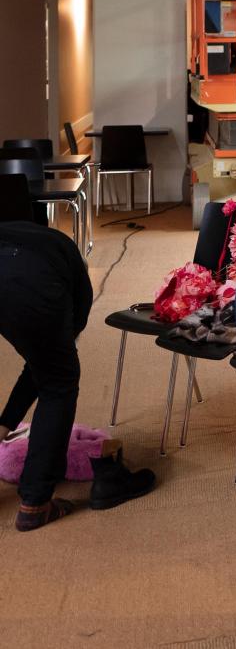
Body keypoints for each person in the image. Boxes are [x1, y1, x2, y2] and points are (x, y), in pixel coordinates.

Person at [0, 221, 156, 530]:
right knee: (61, 385)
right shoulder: (74, 287)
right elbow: (54, 373)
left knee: (51, 369)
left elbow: (40, 364)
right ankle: (35, 504)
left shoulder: (43, 241)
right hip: (25, 275)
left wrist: (6, 423)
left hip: (18, 264)